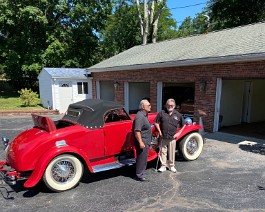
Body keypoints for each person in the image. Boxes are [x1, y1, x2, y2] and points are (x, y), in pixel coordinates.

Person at [154, 98, 184, 173]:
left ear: (174, 105)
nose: (170, 106)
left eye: (171, 105)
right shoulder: (161, 113)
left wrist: (179, 133)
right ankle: (163, 166)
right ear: (166, 105)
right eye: (168, 105)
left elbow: (183, 125)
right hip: (163, 136)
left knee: (171, 152)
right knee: (162, 152)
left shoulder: (178, 115)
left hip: (172, 137)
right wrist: (160, 131)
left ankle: (171, 166)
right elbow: (156, 122)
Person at [133, 99, 152, 181]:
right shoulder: (140, 117)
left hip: (145, 140)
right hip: (143, 141)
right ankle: (139, 175)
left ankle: (140, 172)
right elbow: (137, 131)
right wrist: (141, 142)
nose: (150, 106)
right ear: (143, 107)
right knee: (142, 158)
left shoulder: (144, 115)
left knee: (143, 158)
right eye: (148, 105)